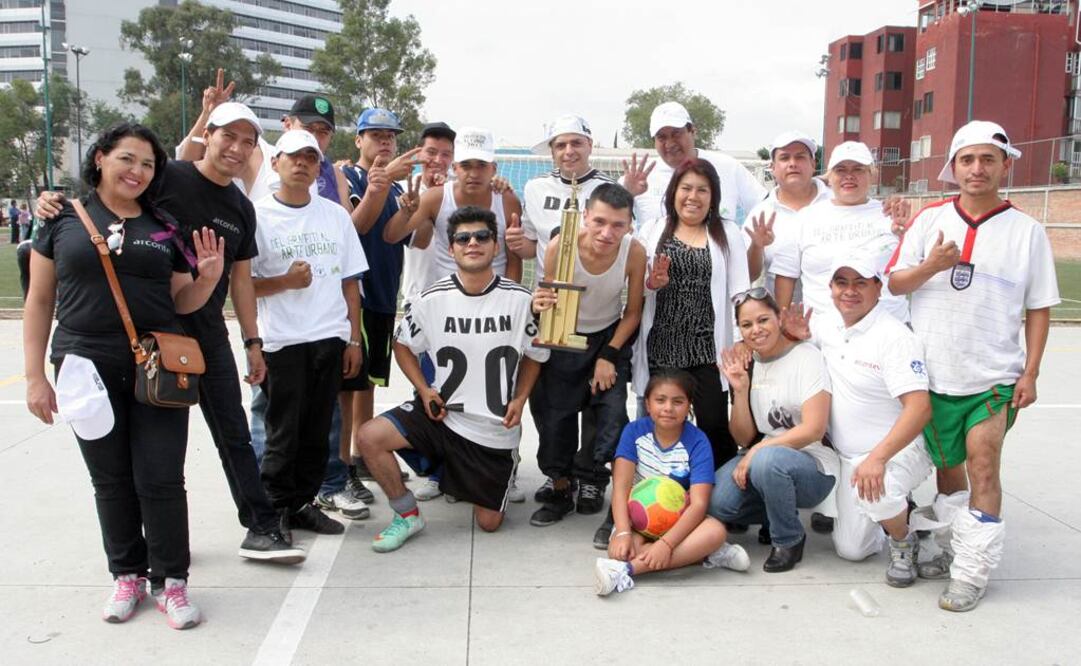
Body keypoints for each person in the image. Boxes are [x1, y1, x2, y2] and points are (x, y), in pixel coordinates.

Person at [34, 102, 303, 565]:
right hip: (148, 332)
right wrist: (53, 203)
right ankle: (150, 548)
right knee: (140, 459)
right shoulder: (169, 176)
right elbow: (113, 197)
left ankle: (260, 526)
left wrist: (252, 342)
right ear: (209, 136)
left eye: (247, 142)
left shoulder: (241, 207)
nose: (236, 149)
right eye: (227, 136)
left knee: (232, 432)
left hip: (204, 329)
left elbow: (239, 280)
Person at [24, 123, 224, 629]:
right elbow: (40, 299)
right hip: (83, 364)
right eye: (127, 159)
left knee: (161, 477)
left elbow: (183, 300)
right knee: (109, 479)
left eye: (148, 164)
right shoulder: (61, 219)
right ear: (99, 160)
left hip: (157, 364)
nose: (137, 171)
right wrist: (33, 376)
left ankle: (172, 583)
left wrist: (207, 279)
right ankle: (127, 573)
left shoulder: (164, 225)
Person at [886, 120, 1060, 611]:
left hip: (994, 378)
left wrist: (1030, 372)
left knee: (982, 461)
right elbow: (895, 284)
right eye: (968, 159)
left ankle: (971, 571)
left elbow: (1040, 307)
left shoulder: (1027, 231)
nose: (977, 168)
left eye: (988, 159)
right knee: (947, 469)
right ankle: (948, 545)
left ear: (1005, 165)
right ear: (953, 168)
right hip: (930, 378)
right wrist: (931, 267)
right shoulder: (929, 219)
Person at [355, 206, 549, 552]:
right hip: (442, 416)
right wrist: (424, 388)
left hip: (492, 430)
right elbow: (402, 346)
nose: (472, 243)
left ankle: (484, 472)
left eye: (482, 237)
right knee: (369, 437)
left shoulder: (521, 301)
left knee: (489, 524)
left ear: (496, 246)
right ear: (451, 249)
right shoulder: (431, 299)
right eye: (463, 238)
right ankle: (407, 514)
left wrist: (519, 400)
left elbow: (535, 355)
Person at [787, 255, 934, 586]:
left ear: (879, 289)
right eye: (842, 283)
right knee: (851, 550)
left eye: (860, 283)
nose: (849, 291)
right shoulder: (826, 325)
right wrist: (798, 339)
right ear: (831, 288)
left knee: (880, 496)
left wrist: (878, 459)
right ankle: (892, 514)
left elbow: (920, 408)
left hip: (895, 450)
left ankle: (902, 539)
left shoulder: (895, 337)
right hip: (846, 458)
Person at [250, 130, 367, 540]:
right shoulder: (259, 216)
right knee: (283, 433)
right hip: (282, 341)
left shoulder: (334, 215)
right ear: (276, 163)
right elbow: (241, 286)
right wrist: (284, 281)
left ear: (319, 168)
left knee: (319, 432)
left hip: (330, 339)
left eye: (310, 158)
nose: (302, 163)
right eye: (293, 157)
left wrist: (353, 339)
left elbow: (351, 282)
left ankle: (302, 504)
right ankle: (275, 511)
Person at [528, 183, 646, 533]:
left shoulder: (634, 252)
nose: (607, 233)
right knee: (556, 414)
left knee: (608, 413)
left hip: (609, 335)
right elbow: (548, 299)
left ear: (629, 225)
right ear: (585, 218)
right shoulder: (559, 247)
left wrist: (609, 354)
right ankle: (561, 484)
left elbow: (633, 311)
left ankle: (593, 477)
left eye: (618, 225)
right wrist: (540, 302)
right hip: (566, 336)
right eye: (599, 222)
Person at [709, 288, 838, 573]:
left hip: (814, 465)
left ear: (779, 318)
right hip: (767, 461)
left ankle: (789, 539)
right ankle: (773, 513)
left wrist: (758, 450)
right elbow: (743, 437)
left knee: (768, 461)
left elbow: (814, 429)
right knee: (716, 501)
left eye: (763, 320)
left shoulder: (807, 356)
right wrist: (740, 391)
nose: (756, 330)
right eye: (747, 325)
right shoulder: (750, 364)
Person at [632, 158, 749, 470]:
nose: (693, 197)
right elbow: (635, 288)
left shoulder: (727, 233)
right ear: (673, 192)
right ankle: (649, 493)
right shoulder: (654, 230)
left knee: (714, 428)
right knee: (659, 425)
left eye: (702, 190)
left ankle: (721, 500)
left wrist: (739, 340)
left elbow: (741, 292)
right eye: (686, 188)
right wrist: (651, 284)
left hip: (707, 351)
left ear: (713, 197)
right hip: (663, 348)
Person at [593, 369, 750, 597]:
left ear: (689, 406)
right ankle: (704, 555)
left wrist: (665, 545)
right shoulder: (634, 432)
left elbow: (698, 504)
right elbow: (620, 489)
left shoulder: (697, 441)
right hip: (638, 521)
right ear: (647, 404)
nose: (668, 408)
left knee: (716, 530)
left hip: (677, 523)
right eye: (660, 400)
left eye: (678, 401)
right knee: (619, 550)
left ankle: (625, 571)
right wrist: (624, 532)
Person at [338, 108, 420, 488]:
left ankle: (361, 452)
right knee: (348, 385)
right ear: (358, 140)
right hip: (357, 294)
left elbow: (400, 237)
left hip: (386, 293)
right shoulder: (348, 176)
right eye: (376, 135)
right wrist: (382, 182)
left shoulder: (399, 188)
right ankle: (342, 466)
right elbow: (357, 228)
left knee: (367, 382)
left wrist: (414, 211)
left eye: (390, 136)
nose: (385, 141)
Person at [770, 141, 908, 321]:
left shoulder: (893, 215)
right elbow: (786, 276)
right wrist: (783, 323)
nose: (849, 176)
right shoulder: (805, 218)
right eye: (841, 170)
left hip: (889, 331)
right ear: (830, 176)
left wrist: (906, 232)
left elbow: (913, 268)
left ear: (873, 174)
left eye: (858, 169)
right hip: (821, 336)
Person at [385, 126, 523, 288]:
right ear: (455, 168)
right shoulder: (435, 197)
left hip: (494, 298)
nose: (474, 173)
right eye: (466, 165)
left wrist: (508, 298)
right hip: (447, 300)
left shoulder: (508, 201)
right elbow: (391, 236)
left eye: (481, 165)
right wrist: (406, 213)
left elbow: (514, 260)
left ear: (493, 169)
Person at [627, 101, 764, 226]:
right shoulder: (638, 178)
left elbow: (764, 207)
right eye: (661, 137)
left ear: (693, 132)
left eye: (676, 134)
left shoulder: (728, 167)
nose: (669, 144)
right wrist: (627, 193)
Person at [744, 132, 830, 294]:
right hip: (780, 314)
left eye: (800, 157)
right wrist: (757, 246)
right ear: (773, 168)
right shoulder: (761, 214)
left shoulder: (837, 203)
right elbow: (748, 275)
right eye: (784, 158)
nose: (792, 164)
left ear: (813, 163)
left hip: (833, 314)